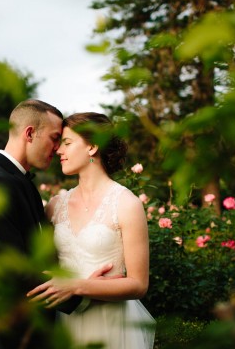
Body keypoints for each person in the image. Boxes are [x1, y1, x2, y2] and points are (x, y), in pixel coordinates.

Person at [0, 100, 110, 349]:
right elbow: (12, 269)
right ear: (30, 133)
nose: (57, 149)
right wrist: (84, 293)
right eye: (55, 138)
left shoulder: (19, 182)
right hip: (10, 335)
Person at [27, 112, 156, 348]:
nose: (58, 151)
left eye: (67, 143)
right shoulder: (56, 205)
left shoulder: (127, 204)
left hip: (110, 326)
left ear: (92, 147)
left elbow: (138, 285)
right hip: (63, 324)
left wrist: (77, 286)